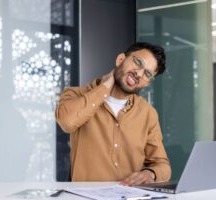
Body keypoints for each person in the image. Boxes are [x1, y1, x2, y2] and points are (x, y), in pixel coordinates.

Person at [55, 42, 171, 186]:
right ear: (120, 60)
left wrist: (151, 174)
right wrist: (104, 88)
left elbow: (162, 165)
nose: (139, 74)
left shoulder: (148, 113)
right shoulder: (75, 94)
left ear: (147, 83)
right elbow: (67, 122)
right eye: (138, 62)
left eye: (147, 74)